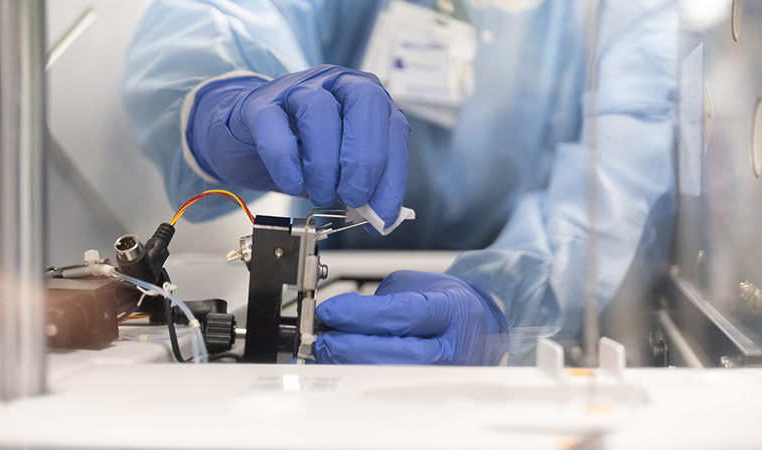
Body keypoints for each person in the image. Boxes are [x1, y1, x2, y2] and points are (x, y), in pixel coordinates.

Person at [122, 0, 677, 365]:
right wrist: (225, 101)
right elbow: (209, 16)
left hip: (519, 306)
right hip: (329, 270)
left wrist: (510, 304)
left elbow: (627, 173)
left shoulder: (629, 13)